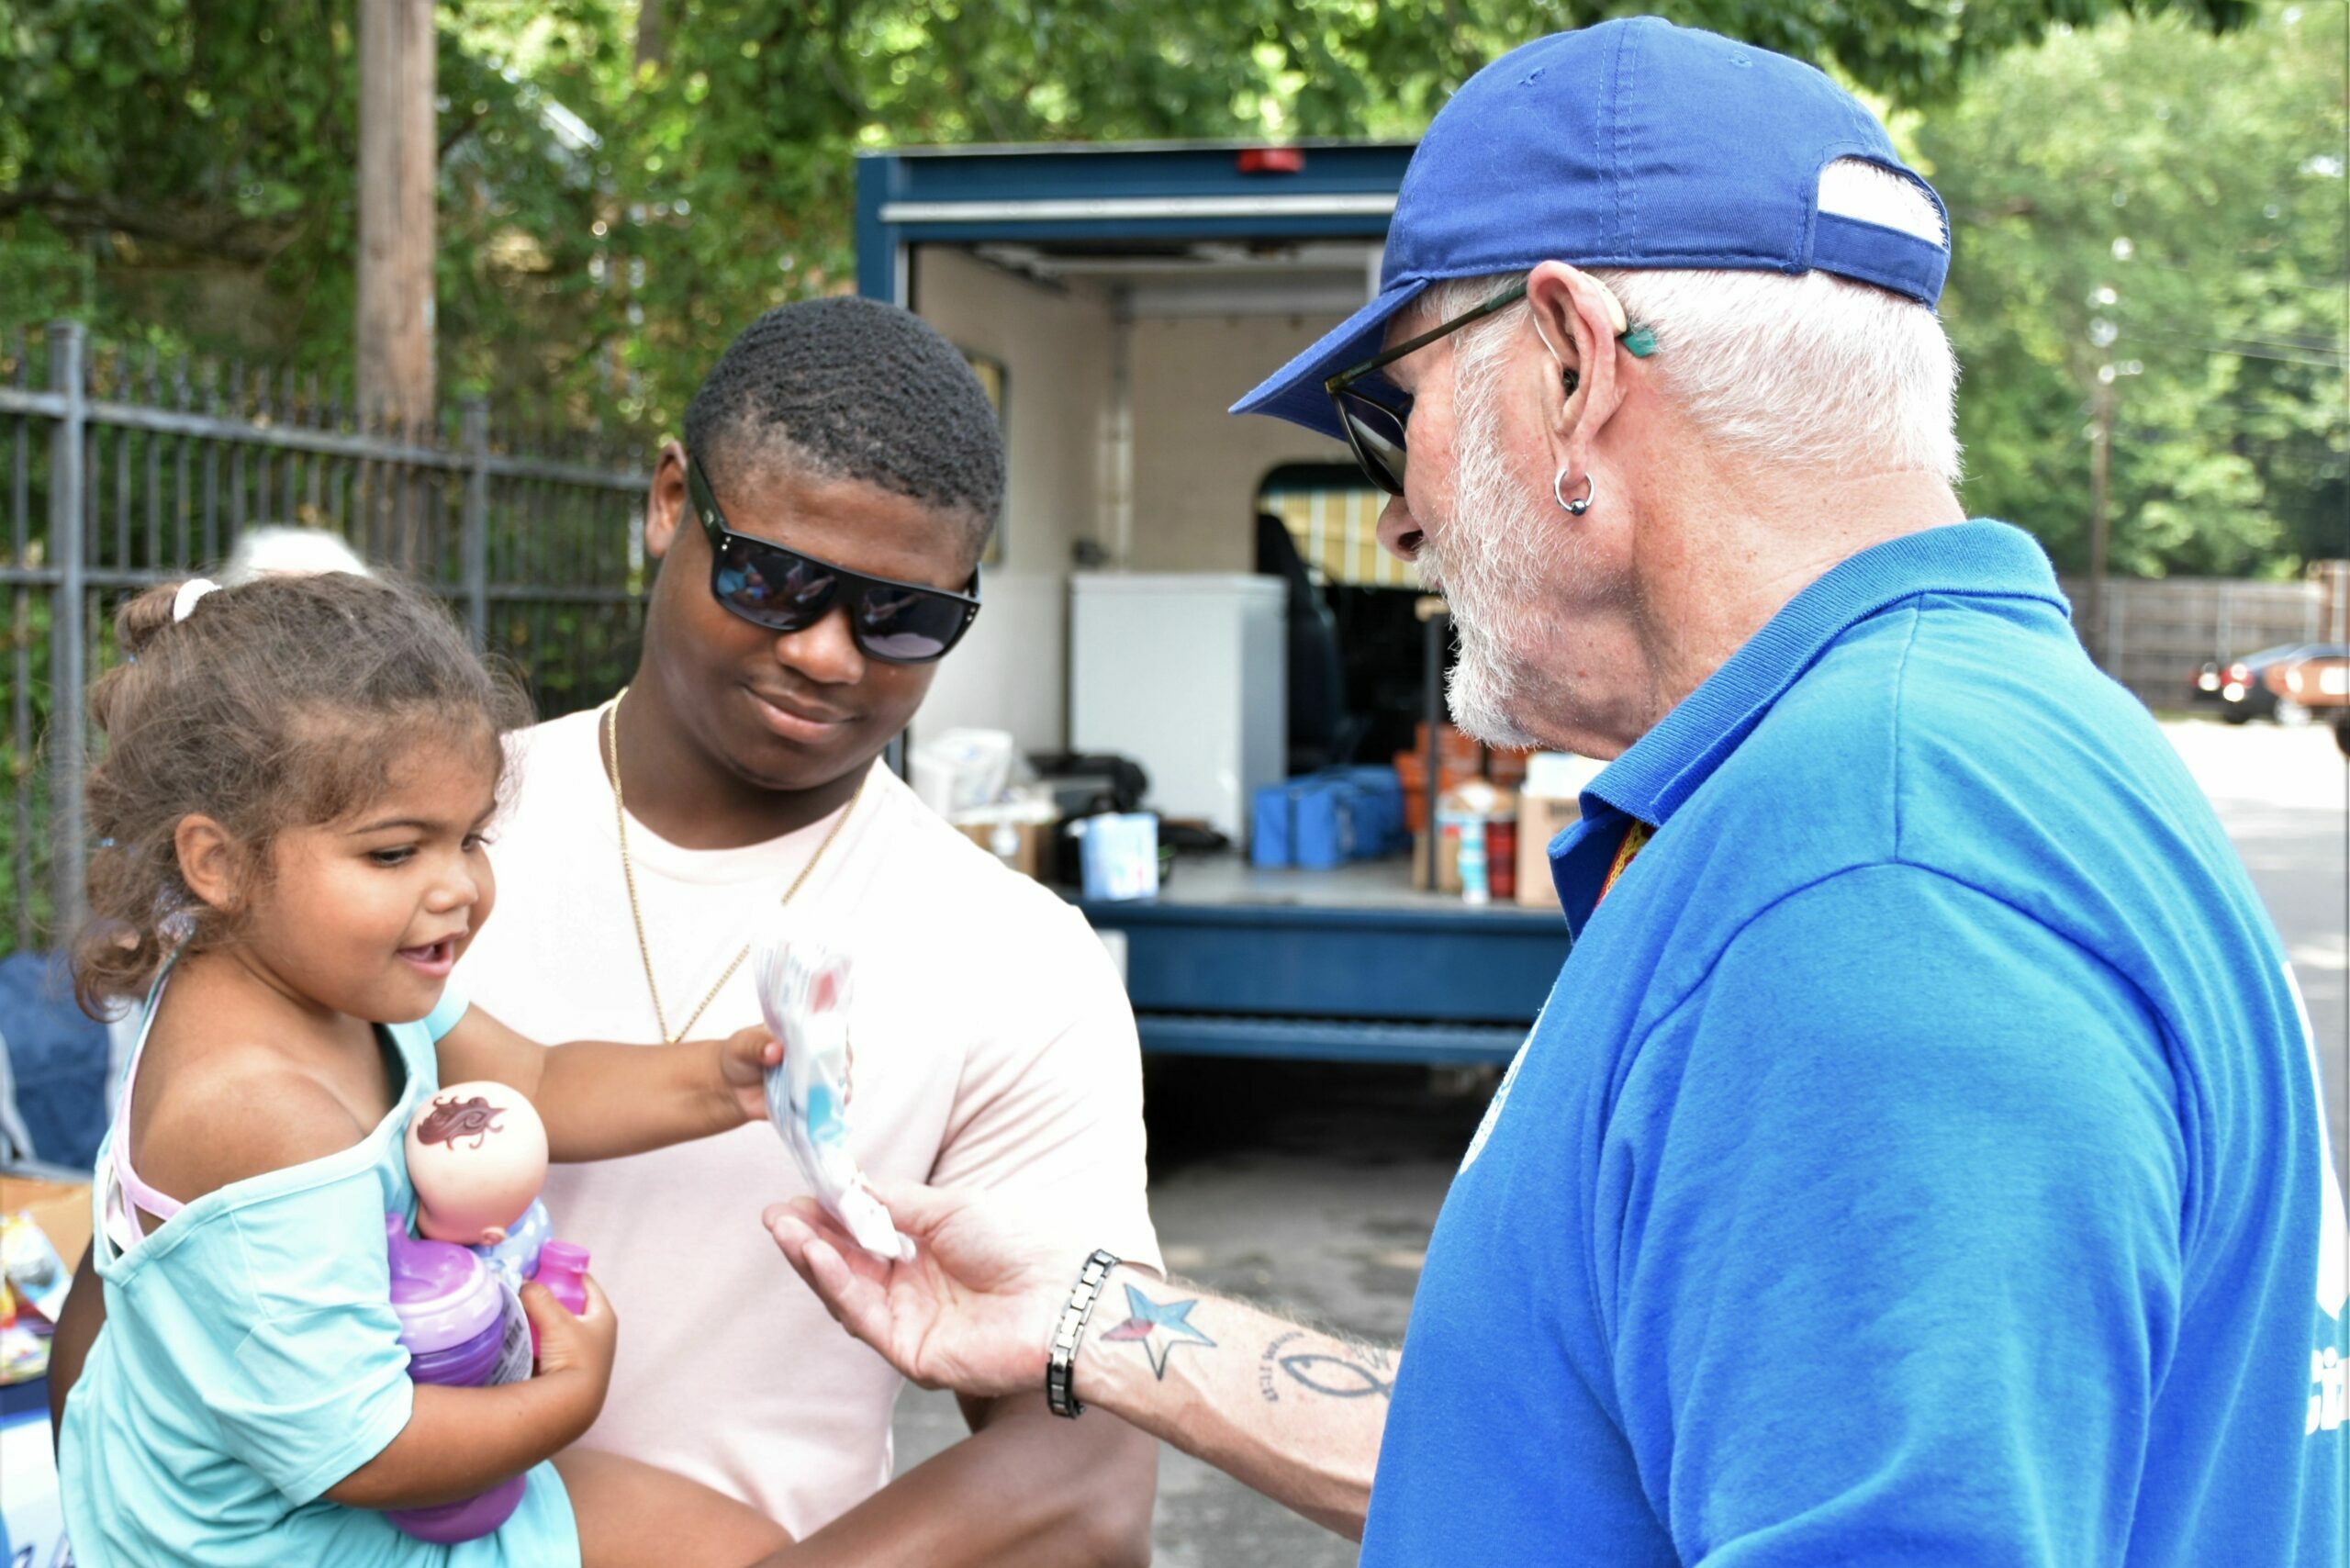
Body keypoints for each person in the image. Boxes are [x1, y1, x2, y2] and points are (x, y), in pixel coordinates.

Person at [767, 18, 2348, 1567]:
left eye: (1392, 416)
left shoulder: (1874, 883)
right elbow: (1601, 1463)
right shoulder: (1986, 755)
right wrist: (1097, 1316)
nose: (1396, 520)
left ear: (1577, 362)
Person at [47, 298, 1162, 1565]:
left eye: (903, 618)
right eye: (777, 580)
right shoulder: (375, 842)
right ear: (669, 502)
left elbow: (1087, 1477)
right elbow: (141, 1295)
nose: (829, 654)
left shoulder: (1018, 963)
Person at [59, 571, 790, 1567]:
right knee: (745, 1549)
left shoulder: (326, 971)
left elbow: (528, 1082)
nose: (459, 888)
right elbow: (366, 1450)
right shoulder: (261, 1108)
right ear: (217, 862)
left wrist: (724, 1079)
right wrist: (570, 1396)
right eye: (396, 853)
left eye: (471, 838)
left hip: (324, 1460)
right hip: (285, 1536)